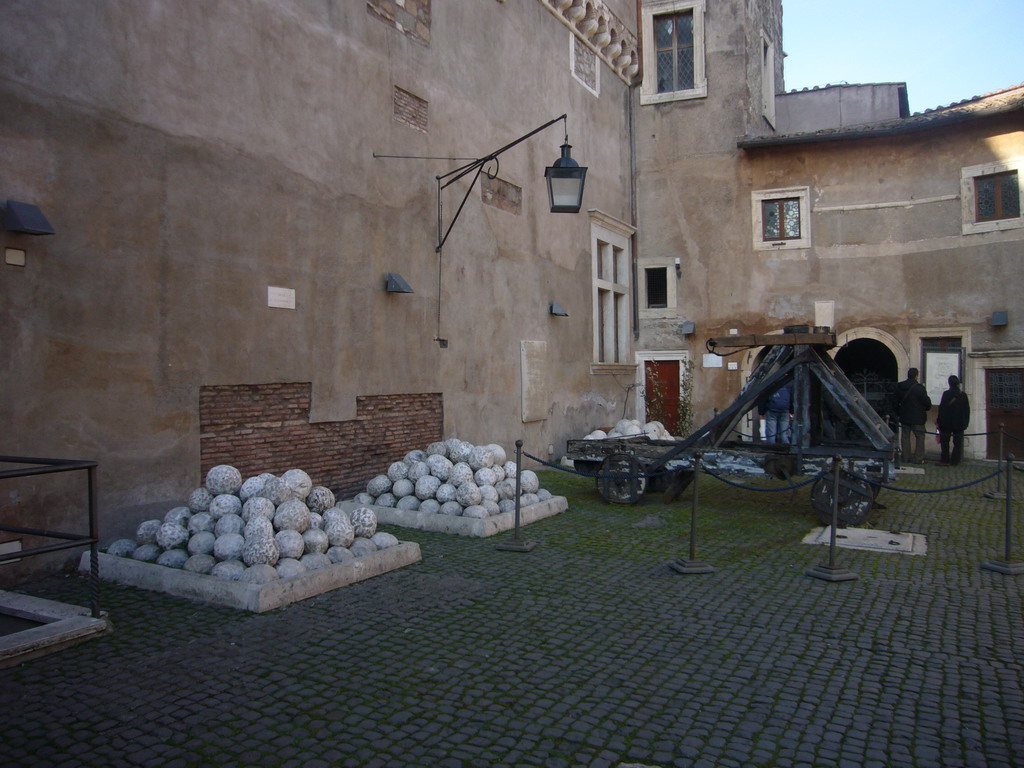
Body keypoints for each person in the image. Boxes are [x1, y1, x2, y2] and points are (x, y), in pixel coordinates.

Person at [895, 367, 932, 463]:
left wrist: (898, 412)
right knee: (920, 437)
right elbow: (927, 403)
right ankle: (918, 458)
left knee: (905, 437)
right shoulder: (920, 388)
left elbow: (895, 401)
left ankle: (905, 457)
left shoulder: (900, 386)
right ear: (916, 376)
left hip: (904, 416)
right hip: (918, 417)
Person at [937, 375, 970, 466]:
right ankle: (955, 460)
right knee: (957, 443)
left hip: (946, 422)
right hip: (959, 422)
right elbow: (967, 410)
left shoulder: (946, 394)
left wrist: (939, 421)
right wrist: (966, 422)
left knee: (945, 442)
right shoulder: (963, 395)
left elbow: (942, 409)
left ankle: (945, 459)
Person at [758, 378, 793, 444]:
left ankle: (772, 449)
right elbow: (791, 399)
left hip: (771, 411)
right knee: (784, 433)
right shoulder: (787, 386)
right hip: (785, 411)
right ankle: (786, 449)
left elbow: (762, 399)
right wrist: (792, 411)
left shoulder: (769, 387)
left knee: (771, 433)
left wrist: (761, 412)